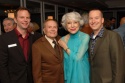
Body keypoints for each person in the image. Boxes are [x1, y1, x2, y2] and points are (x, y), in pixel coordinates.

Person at [0, 7, 41, 83]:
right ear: (15, 19)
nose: (25, 20)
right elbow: (2, 66)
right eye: (22, 17)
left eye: (27, 17)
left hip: (32, 80)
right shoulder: (4, 39)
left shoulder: (35, 37)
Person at [88, 9, 125, 83]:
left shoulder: (113, 36)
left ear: (102, 20)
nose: (93, 21)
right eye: (91, 18)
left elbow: (119, 66)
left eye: (96, 18)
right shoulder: (89, 38)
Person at [58, 11, 90, 83]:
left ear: (79, 23)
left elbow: (78, 58)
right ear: (65, 25)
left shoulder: (85, 37)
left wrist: (65, 47)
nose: (72, 26)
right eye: (69, 23)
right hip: (68, 74)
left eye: (75, 22)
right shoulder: (63, 39)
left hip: (81, 74)